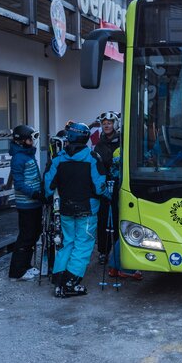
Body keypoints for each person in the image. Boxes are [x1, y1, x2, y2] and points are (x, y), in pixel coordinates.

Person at [44, 121, 105, 298]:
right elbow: (100, 186)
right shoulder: (92, 158)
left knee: (67, 242)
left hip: (66, 209)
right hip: (87, 209)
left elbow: (48, 186)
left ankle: (59, 280)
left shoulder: (58, 159)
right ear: (85, 138)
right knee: (83, 244)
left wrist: (49, 198)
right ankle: (70, 282)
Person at [8, 124, 43, 281]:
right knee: (26, 236)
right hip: (26, 204)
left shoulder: (28, 154)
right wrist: (35, 193)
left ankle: (26, 265)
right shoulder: (18, 158)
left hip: (35, 203)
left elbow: (34, 177)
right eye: (30, 138)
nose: (33, 141)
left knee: (35, 233)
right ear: (21, 141)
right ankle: (17, 271)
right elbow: (19, 183)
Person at [104, 146, 142, 281]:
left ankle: (115, 266)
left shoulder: (118, 150)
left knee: (125, 230)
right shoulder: (133, 149)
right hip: (129, 194)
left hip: (119, 194)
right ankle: (125, 268)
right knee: (130, 230)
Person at [92, 111, 121, 263]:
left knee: (117, 217)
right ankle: (103, 251)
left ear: (115, 124)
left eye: (109, 123)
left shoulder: (122, 141)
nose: (106, 126)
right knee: (103, 219)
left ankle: (118, 251)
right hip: (104, 186)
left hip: (119, 184)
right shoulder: (99, 144)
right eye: (104, 124)